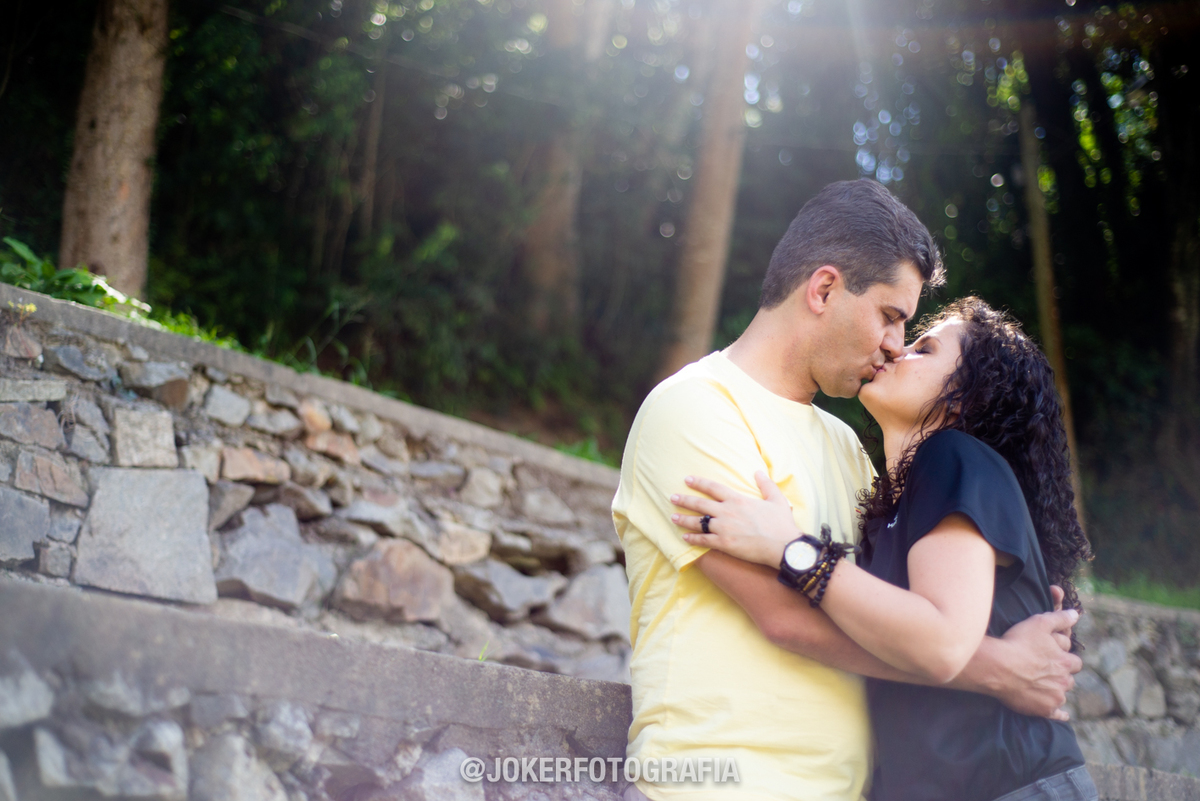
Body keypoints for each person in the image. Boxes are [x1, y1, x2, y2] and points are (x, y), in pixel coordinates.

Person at [612, 180, 1082, 801]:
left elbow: (888, 618)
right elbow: (785, 616)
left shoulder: (848, 449)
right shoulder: (694, 409)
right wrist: (1000, 668)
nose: (894, 345)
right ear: (824, 289)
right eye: (890, 316)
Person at [670, 297, 1095, 801]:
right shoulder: (895, 505)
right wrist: (1004, 666)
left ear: (964, 397)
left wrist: (789, 547)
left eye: (924, 349)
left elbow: (940, 642)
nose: (896, 350)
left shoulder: (952, 456)